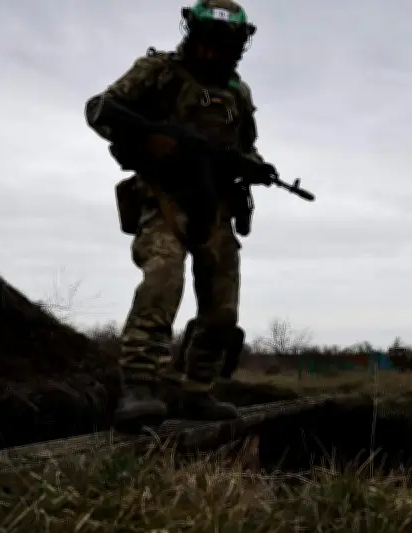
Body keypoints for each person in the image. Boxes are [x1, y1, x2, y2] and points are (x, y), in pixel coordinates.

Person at [86, 0, 277, 432]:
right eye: (206, 42)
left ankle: (197, 390)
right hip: (164, 198)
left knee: (222, 310)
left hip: (216, 206)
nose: (211, 53)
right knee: (162, 283)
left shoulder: (238, 93)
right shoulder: (159, 71)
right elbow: (99, 109)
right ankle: (138, 387)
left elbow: (242, 146)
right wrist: (149, 139)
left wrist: (255, 166)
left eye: (222, 45)